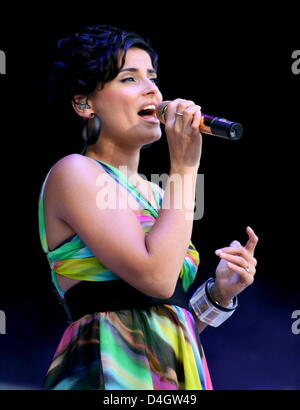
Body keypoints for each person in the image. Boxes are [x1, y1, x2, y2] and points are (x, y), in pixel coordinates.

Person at [38, 24, 259, 390]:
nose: (152, 90)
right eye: (129, 78)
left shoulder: (158, 195)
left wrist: (219, 294)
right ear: (84, 103)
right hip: (107, 378)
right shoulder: (74, 172)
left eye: (153, 78)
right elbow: (155, 279)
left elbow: (163, 317)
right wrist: (185, 167)